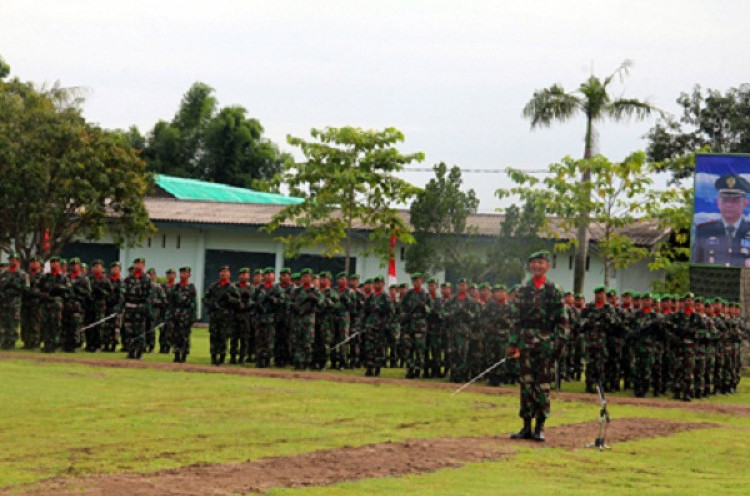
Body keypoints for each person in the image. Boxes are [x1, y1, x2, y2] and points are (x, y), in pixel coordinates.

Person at [507, 250, 568, 442]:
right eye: (533, 263)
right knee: (526, 384)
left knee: (542, 385)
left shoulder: (554, 290)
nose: (537, 266)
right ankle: (526, 426)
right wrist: (512, 343)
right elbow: (515, 318)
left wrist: (558, 344)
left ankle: (540, 427)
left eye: (541, 262)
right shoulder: (523, 289)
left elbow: (562, 321)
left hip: (545, 343)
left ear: (547, 266)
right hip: (526, 342)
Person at [693, 173, 750, 266]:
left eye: (734, 201)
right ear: (718, 203)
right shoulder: (704, 231)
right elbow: (695, 264)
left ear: (745, 204)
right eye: (725, 200)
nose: (729, 205)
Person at [203, 265, 239, 366]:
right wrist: (211, 304)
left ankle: (222, 357)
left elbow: (238, 301)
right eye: (222, 271)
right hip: (215, 316)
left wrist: (229, 299)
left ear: (229, 274)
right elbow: (205, 299)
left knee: (223, 337)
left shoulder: (232, 288)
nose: (223, 273)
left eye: (225, 271)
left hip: (226, 318)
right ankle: (213, 357)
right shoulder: (213, 286)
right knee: (214, 337)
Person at [122, 257, 152, 359]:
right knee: (129, 331)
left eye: (140, 263)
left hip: (140, 308)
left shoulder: (147, 279)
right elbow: (123, 294)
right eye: (136, 263)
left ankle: (139, 352)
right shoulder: (128, 279)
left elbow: (149, 295)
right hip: (130, 308)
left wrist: (147, 308)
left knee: (140, 331)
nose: (137, 265)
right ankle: (130, 351)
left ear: (143, 265)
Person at [169, 267, 197, 363]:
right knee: (175, 335)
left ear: (189, 275)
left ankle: (184, 356)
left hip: (186, 315)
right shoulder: (175, 287)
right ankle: (176, 355)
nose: (183, 275)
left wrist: (193, 317)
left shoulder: (191, 287)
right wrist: (170, 314)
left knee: (185, 336)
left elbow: (194, 303)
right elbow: (171, 302)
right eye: (181, 273)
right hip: (176, 315)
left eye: (185, 273)